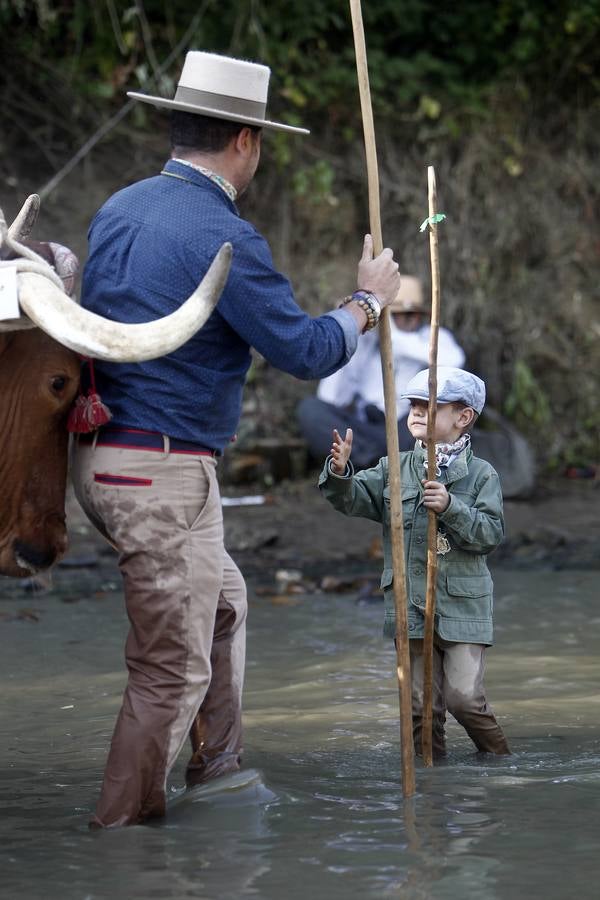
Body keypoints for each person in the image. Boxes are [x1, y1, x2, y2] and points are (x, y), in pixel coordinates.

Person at [69, 50, 400, 828]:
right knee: (170, 669)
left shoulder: (119, 206)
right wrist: (367, 302)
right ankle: (121, 838)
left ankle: (217, 771)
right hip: (159, 469)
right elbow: (307, 351)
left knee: (223, 601)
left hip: (102, 460)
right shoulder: (224, 234)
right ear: (246, 140)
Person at [318, 366, 511, 758]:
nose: (418, 412)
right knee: (421, 710)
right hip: (409, 608)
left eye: (430, 405)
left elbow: (490, 535)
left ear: (463, 417)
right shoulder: (394, 466)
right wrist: (339, 472)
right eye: (414, 405)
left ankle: (499, 763)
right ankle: (430, 780)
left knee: (464, 700)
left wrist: (452, 507)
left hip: (463, 609)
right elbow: (353, 499)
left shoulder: (481, 475)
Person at [297, 275, 465, 468]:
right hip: (367, 430)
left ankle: (393, 466)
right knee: (310, 410)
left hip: (408, 430)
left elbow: (455, 361)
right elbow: (330, 397)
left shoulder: (431, 337)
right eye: (397, 315)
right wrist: (353, 334)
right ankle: (373, 465)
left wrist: (393, 335)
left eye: (410, 314)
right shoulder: (367, 342)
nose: (406, 320)